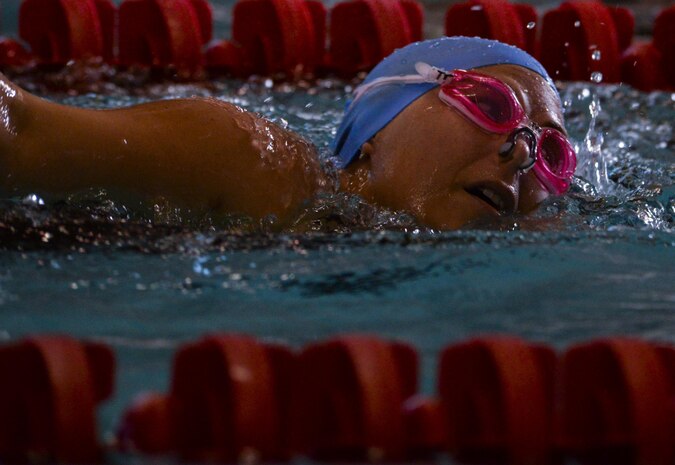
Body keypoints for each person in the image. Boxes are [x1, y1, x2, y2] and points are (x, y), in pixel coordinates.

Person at [0, 37, 576, 230]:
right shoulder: (248, 160)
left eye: (551, 149)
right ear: (372, 133)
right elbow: (19, 133)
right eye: (490, 104)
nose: (523, 151)